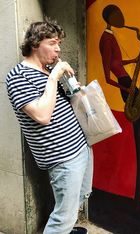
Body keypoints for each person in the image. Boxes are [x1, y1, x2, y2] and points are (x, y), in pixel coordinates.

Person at [6, 18, 92, 234]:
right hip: (62, 158)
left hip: (80, 147)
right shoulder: (18, 76)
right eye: (53, 43)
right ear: (35, 43)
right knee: (63, 216)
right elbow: (43, 116)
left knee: (78, 199)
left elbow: (56, 106)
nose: (58, 49)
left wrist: (74, 91)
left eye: (59, 44)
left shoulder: (46, 71)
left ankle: (67, 227)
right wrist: (55, 76)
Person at [99, 5, 140, 204]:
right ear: (110, 18)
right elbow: (107, 73)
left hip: (127, 82)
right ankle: (138, 190)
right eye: (118, 14)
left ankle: (139, 189)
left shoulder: (111, 36)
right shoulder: (106, 38)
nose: (122, 17)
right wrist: (127, 89)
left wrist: (134, 60)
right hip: (125, 85)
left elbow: (116, 63)